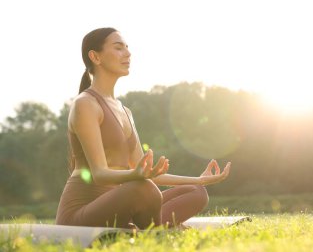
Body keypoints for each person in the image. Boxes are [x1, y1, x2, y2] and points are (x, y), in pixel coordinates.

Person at [55, 27, 231, 230]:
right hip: (82, 216)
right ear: (95, 56)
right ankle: (159, 231)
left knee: (195, 191)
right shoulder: (86, 104)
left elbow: (148, 174)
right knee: (142, 189)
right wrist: (137, 175)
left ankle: (146, 228)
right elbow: (99, 174)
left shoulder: (125, 111)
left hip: (119, 206)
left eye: (127, 48)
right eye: (118, 48)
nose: (128, 53)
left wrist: (201, 180)